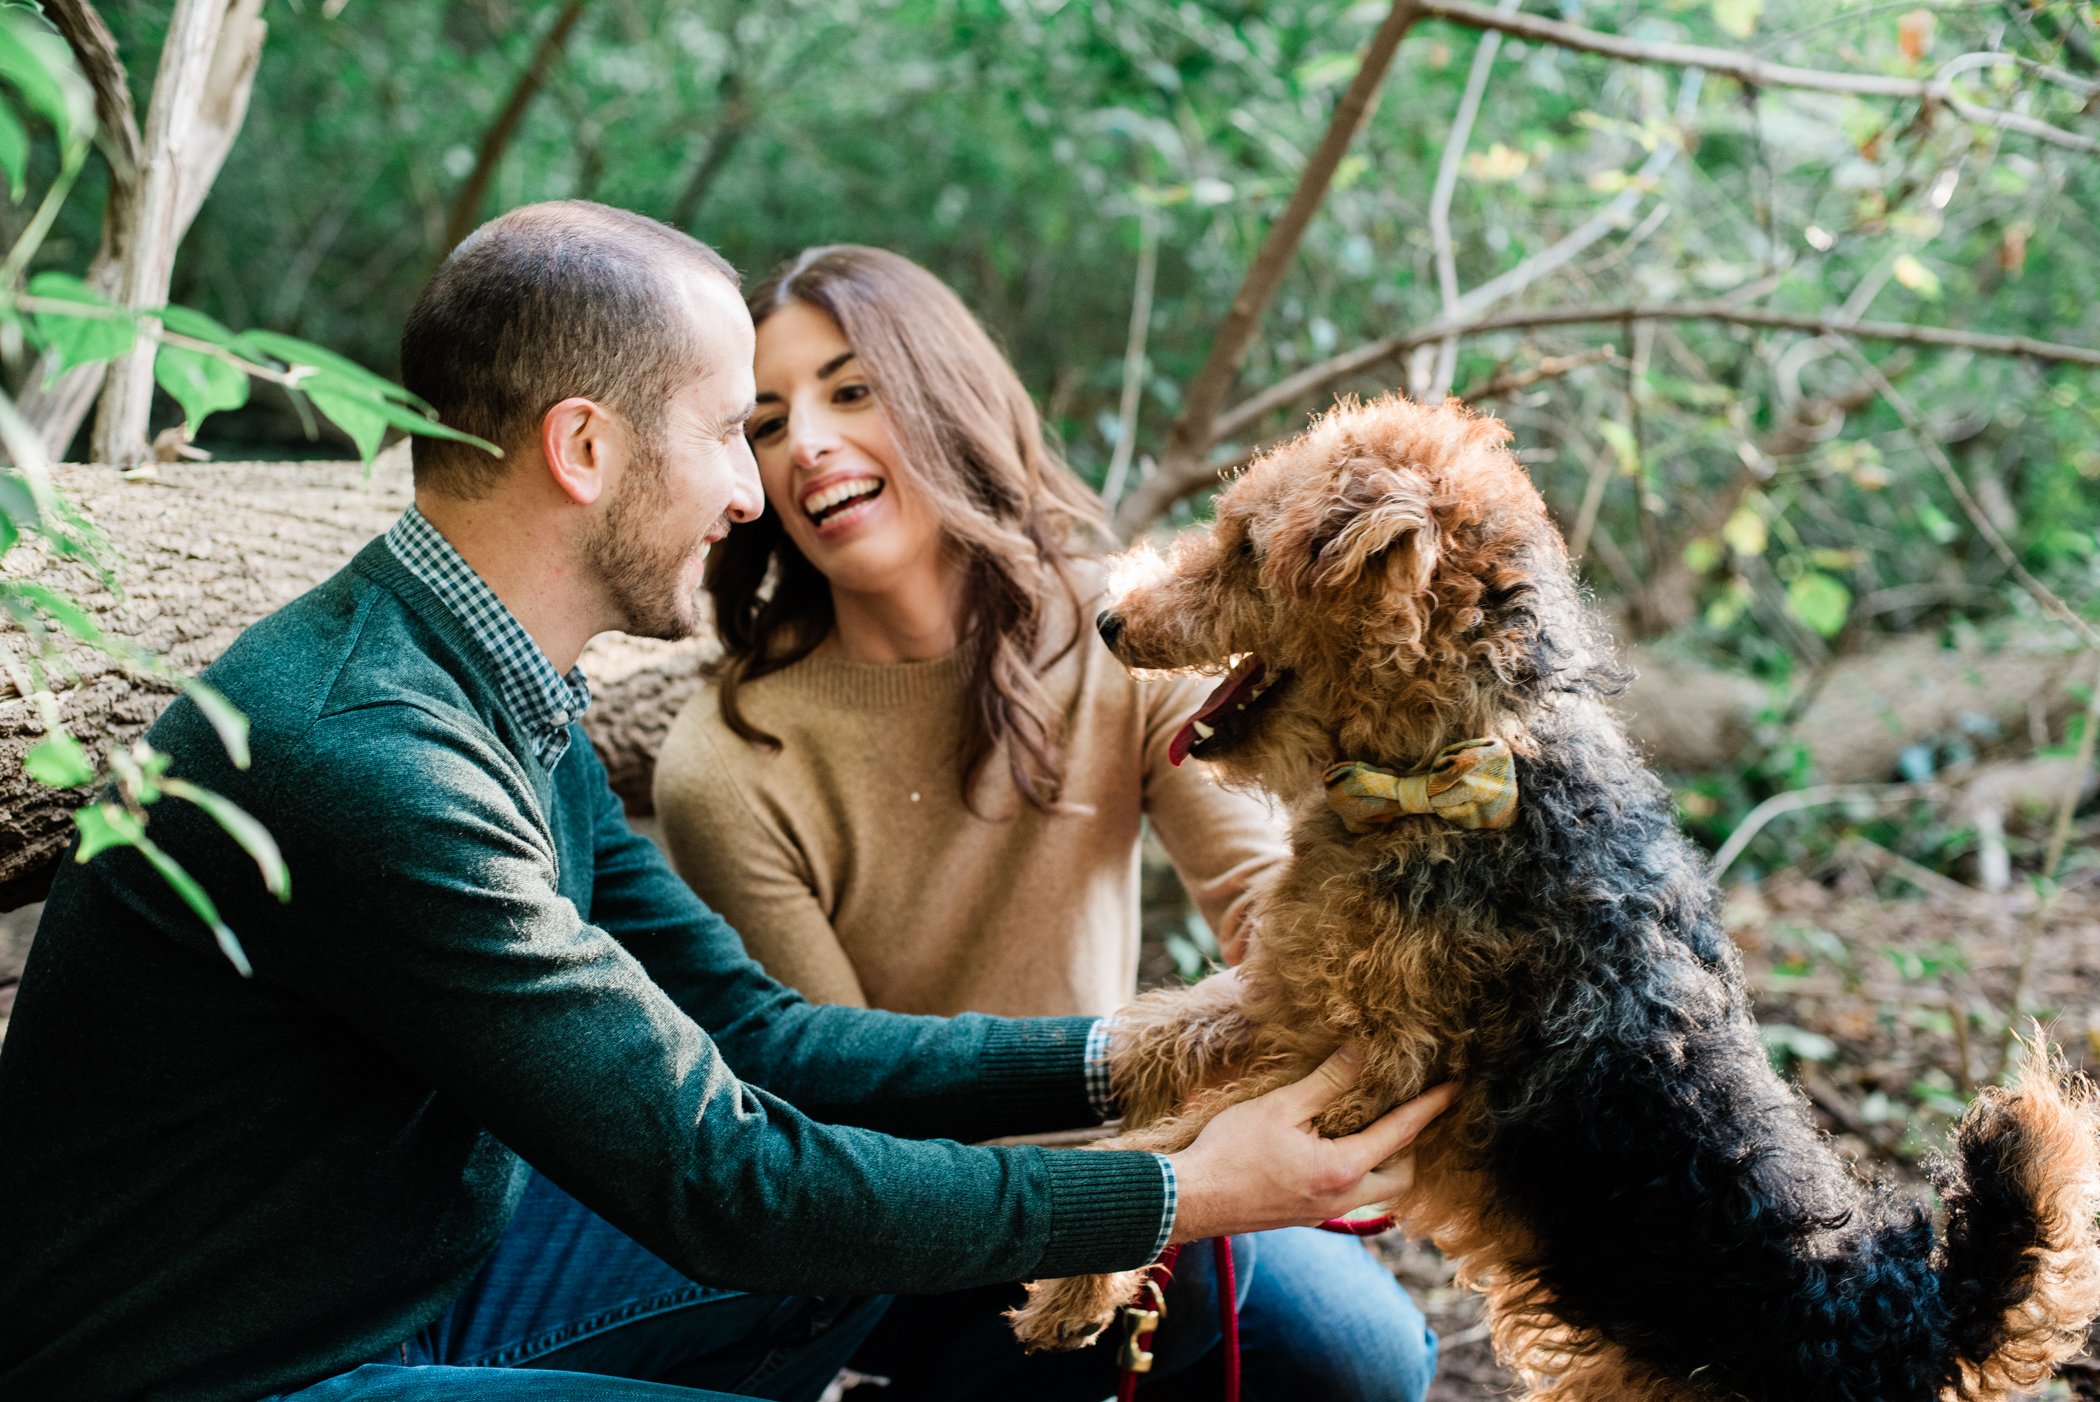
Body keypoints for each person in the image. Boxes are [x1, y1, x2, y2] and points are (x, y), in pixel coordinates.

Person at [0, 202, 1452, 1402]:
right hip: (231, 1369)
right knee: (803, 1225)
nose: (755, 492)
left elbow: (757, 1041)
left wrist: (1161, 1050)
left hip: (403, 1266)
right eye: (726, 429)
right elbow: (728, 1176)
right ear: (585, 451)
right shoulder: (374, 756)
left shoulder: (492, 681)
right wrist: (1184, 1191)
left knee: (852, 1255)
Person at [652, 245, 1440, 1401]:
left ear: (944, 397)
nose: (807, 440)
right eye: (765, 423)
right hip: (917, 1235)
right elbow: (837, 1101)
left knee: (1361, 1350)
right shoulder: (728, 763)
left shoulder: (1118, 638)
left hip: (1152, 1175)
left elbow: (1271, 907)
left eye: (851, 389)